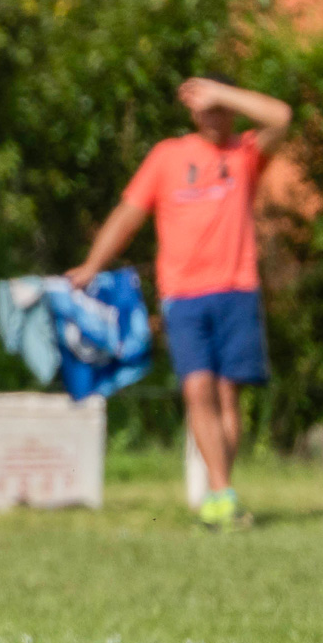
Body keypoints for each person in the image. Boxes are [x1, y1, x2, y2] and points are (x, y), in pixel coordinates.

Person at [67, 75, 292, 531]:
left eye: (222, 108)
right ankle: (222, 493)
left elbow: (283, 117)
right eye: (206, 108)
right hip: (183, 296)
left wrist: (222, 91)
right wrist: (91, 265)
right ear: (192, 111)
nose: (216, 117)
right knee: (196, 389)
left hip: (236, 288)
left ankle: (218, 491)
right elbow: (128, 214)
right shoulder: (167, 157)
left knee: (229, 396)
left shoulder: (244, 154)